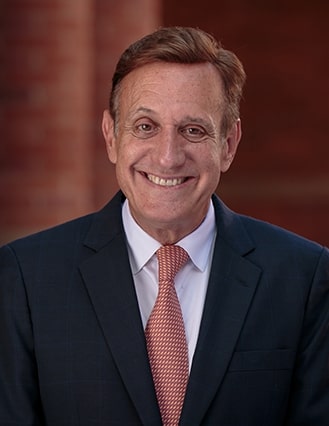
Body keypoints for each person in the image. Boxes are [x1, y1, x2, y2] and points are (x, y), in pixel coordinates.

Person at [0, 26, 328, 426]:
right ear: (111, 137)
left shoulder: (304, 277)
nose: (168, 157)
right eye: (145, 126)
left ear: (227, 144)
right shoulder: (25, 277)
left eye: (193, 130)